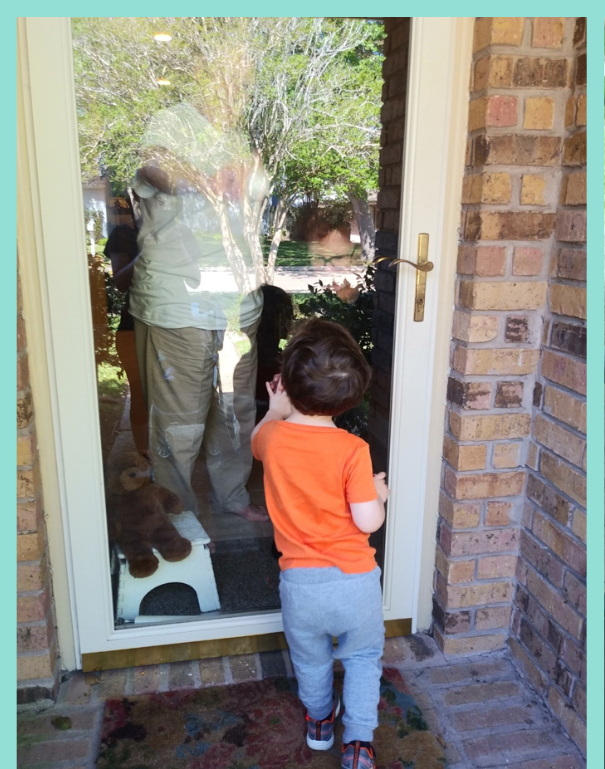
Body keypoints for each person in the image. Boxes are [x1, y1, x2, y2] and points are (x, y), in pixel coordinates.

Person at [251, 318, 389, 769]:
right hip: (355, 583)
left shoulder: (271, 439)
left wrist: (275, 408)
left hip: (300, 584)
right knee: (364, 656)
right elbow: (367, 521)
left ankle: (319, 725)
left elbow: (257, 440)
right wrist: (379, 494)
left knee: (310, 660)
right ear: (352, 394)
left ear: (287, 384)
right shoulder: (353, 450)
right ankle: (359, 745)